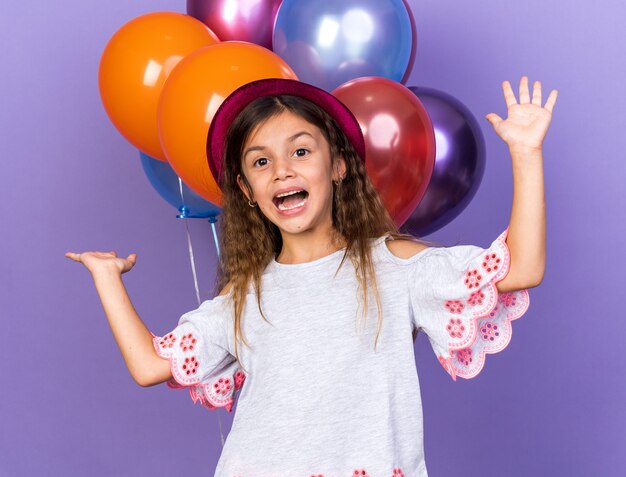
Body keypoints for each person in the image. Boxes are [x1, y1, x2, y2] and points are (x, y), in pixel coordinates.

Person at [66, 76, 557, 476]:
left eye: (301, 151)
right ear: (247, 189)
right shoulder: (247, 296)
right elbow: (150, 365)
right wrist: (107, 276)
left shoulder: (395, 265)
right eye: (261, 162)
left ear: (339, 165)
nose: (282, 170)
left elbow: (522, 267)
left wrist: (526, 153)